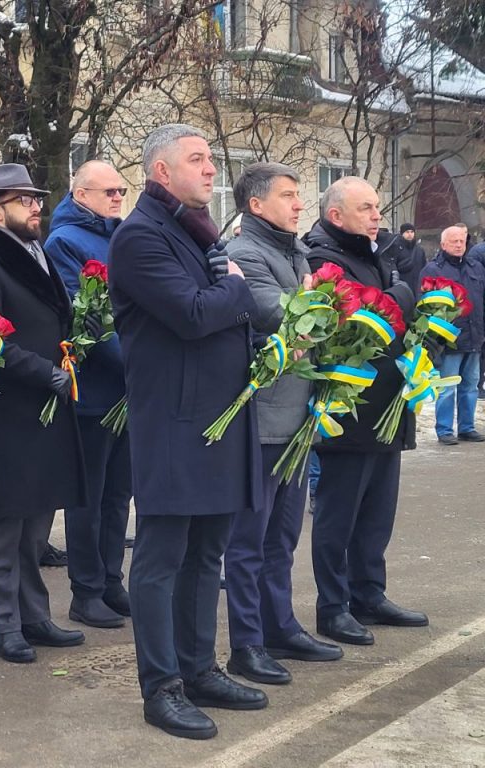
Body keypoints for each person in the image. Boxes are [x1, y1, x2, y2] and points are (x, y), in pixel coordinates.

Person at [109, 124, 267, 740]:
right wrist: (236, 287)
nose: (210, 169)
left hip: (216, 419)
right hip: (175, 423)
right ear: (162, 172)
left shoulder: (196, 231)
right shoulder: (140, 236)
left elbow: (221, 312)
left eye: (209, 158)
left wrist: (231, 293)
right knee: (161, 559)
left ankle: (199, 669)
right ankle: (162, 687)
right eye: (196, 159)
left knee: (206, 554)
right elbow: (194, 315)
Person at [0, 163, 87, 664]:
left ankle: (35, 615)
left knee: (36, 523)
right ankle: (5, 625)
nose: (37, 208)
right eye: (25, 201)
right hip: (9, 408)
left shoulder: (38, 254)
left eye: (37, 199)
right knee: (3, 525)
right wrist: (43, 372)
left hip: (47, 406)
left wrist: (71, 353)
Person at [223, 163, 342, 687]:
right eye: (289, 196)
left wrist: (321, 304)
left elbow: (316, 320)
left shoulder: (294, 251)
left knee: (284, 536)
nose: (300, 204)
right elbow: (283, 317)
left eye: (299, 195)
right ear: (256, 205)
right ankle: (247, 643)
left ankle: (281, 627)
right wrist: (324, 302)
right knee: (249, 541)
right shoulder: (245, 253)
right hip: (263, 419)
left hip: (297, 418)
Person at [303, 177, 427, 647]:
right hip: (349, 407)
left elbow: (400, 310)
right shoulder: (324, 259)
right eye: (366, 208)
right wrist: (401, 298)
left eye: (377, 207)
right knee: (339, 515)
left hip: (386, 402)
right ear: (336, 216)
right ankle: (333, 607)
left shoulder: (377, 254)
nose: (377, 215)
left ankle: (369, 594)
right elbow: (357, 320)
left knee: (377, 511)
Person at [45, 160, 132, 629]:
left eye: (121, 191)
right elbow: (85, 319)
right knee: (89, 498)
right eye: (108, 191)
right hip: (94, 389)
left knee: (118, 494)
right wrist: (138, 367)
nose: (118, 197)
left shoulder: (120, 235)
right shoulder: (65, 242)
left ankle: (112, 580)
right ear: (81, 195)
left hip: (126, 388)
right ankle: (87, 590)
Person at [420, 224, 485, 444]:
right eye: (454, 241)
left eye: (462, 241)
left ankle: (467, 427)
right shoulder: (433, 270)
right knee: (447, 387)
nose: (459, 245)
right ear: (443, 244)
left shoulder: (476, 267)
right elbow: (424, 305)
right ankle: (445, 429)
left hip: (475, 336)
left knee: (471, 385)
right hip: (449, 340)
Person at [396, 223, 427, 294]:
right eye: (407, 232)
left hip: (418, 287)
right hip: (402, 289)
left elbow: (424, 268)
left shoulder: (420, 250)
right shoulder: (396, 249)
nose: (410, 234)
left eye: (412, 232)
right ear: (402, 233)